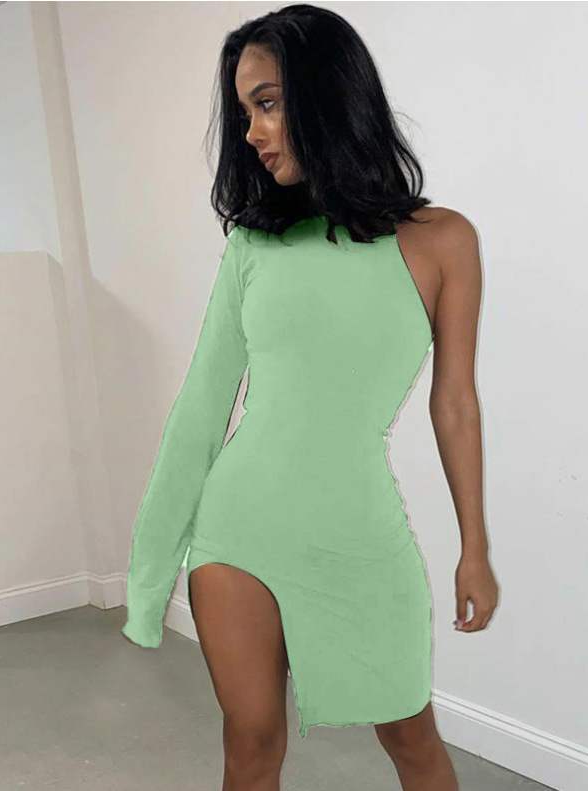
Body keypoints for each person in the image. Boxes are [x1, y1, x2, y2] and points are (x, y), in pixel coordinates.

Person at [122, 4, 499, 789]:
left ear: (329, 94)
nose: (252, 133)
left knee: (412, 739)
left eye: (267, 103)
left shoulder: (443, 240)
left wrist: (475, 546)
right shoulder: (253, 243)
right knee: (251, 746)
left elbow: (455, 404)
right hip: (238, 532)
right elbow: (203, 402)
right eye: (243, 112)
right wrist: (151, 568)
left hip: (358, 532)